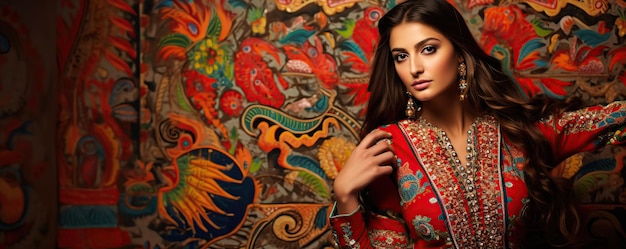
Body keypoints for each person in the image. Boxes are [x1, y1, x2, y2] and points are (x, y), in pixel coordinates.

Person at [329, 0, 626, 248]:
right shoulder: (389, 147)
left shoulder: (520, 129)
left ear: (459, 52)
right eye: (401, 56)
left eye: (428, 49)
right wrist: (345, 197)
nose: (414, 68)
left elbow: (613, 121)